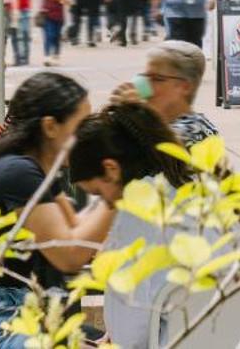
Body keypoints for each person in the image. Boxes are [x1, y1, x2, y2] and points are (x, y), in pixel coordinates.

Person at [0, 73, 116, 346]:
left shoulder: (33, 169)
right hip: (0, 312)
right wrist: (118, 186)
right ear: (51, 126)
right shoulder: (18, 171)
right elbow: (70, 254)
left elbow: (76, 228)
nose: (86, 138)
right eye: (80, 127)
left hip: (22, 306)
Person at [69, 102, 204, 348]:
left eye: (99, 192)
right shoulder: (202, 186)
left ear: (111, 169)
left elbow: (131, 334)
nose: (106, 203)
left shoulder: (135, 211)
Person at [116, 40, 221, 146]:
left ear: (185, 87)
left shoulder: (193, 131)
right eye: (144, 77)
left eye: (157, 79)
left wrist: (131, 116)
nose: (145, 86)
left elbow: (154, 150)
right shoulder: (161, 125)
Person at [35, 0, 74, 66]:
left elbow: (71, 1)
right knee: (49, 35)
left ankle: (56, 56)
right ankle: (47, 56)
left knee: (56, 36)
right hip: (46, 15)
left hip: (59, 16)